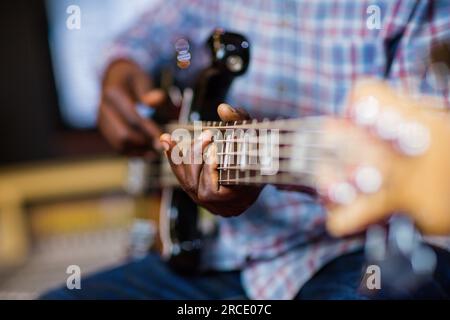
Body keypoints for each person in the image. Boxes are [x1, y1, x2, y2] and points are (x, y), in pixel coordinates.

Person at [42, 0, 450, 299]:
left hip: (357, 255)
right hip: (223, 254)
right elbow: (167, 20)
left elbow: (424, 150)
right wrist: (122, 66)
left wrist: (260, 168)